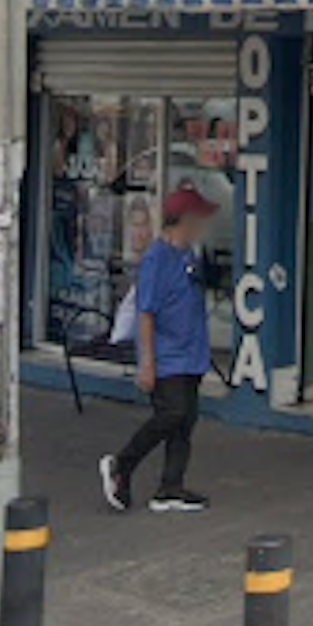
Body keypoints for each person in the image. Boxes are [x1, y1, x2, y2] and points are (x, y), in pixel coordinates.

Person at [101, 187, 218, 514]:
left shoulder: (189, 255)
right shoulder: (156, 259)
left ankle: (171, 486)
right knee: (171, 413)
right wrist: (147, 362)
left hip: (191, 352)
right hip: (167, 355)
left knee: (185, 421)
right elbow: (146, 312)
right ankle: (122, 465)